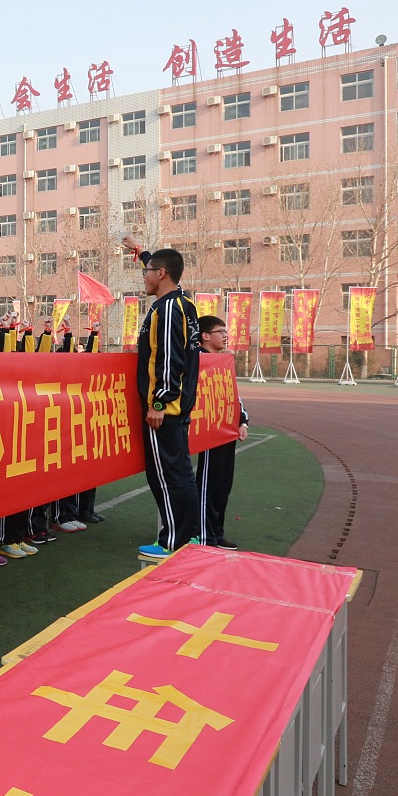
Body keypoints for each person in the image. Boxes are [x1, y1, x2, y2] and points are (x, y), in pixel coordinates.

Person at [122, 235, 202, 559]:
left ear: (162, 274)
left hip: (164, 409)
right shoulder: (185, 304)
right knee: (180, 471)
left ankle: (172, 541)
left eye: (148, 271)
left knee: (165, 474)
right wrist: (142, 252)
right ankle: (190, 536)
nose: (145, 276)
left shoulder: (167, 310)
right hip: (178, 406)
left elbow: (170, 360)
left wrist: (157, 403)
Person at [194, 315, 248, 550]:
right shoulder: (195, 360)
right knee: (208, 483)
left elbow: (233, 395)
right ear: (205, 336)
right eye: (220, 331)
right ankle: (204, 536)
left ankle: (216, 532)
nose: (225, 335)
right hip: (208, 430)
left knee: (223, 485)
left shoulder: (222, 361)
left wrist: (243, 420)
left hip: (227, 430)